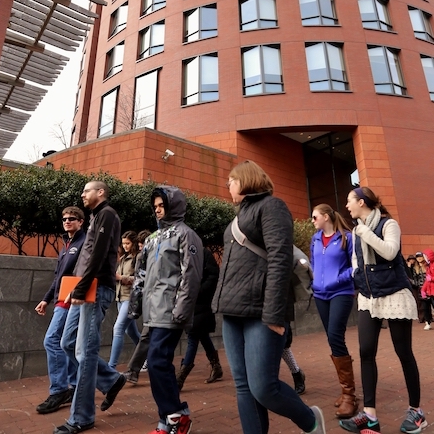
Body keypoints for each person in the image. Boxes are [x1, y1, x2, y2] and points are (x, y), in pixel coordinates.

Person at [212, 160, 326, 434]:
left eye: (232, 179)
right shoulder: (238, 216)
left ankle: (310, 421)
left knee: (263, 387)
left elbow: (279, 258)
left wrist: (275, 314)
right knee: (243, 386)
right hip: (232, 310)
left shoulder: (272, 207)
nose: (228, 185)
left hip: (262, 311)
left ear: (247, 180)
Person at [342, 186, 425, 434]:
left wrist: (364, 232)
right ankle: (370, 416)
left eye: (350, 201)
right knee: (366, 352)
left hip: (394, 294)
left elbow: (389, 252)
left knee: (404, 352)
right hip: (369, 298)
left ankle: (416, 411)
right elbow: (358, 264)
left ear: (362, 202)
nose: (347, 206)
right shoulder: (357, 232)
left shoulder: (388, 224)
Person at [54, 181, 124, 434]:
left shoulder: (107, 214)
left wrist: (82, 288)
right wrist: (75, 287)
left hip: (94, 288)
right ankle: (111, 378)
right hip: (83, 287)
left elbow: (99, 254)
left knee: (85, 353)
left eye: (87, 190)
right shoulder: (96, 216)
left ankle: (81, 418)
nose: (82, 194)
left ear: (101, 192)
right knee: (67, 343)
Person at [133, 185, 203, 434]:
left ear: (174, 205)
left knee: (157, 362)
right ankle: (170, 418)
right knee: (157, 364)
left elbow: (191, 275)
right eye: (155, 207)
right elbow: (141, 274)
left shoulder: (186, 235)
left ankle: (176, 415)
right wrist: (135, 303)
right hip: (153, 312)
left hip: (171, 311)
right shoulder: (152, 239)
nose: (158, 210)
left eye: (162, 206)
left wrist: (181, 311)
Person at [35, 207, 86, 414]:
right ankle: (74, 386)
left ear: (81, 222)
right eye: (64, 219)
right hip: (59, 299)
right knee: (67, 345)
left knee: (51, 340)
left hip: (71, 299)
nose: (67, 221)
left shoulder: (83, 243)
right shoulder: (66, 245)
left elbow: (83, 272)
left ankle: (59, 390)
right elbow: (58, 276)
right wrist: (46, 299)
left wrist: (75, 294)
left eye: (72, 219)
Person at [310, 203, 356, 419]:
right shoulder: (315, 239)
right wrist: (314, 282)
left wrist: (337, 280)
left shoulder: (347, 237)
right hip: (320, 294)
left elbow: (355, 266)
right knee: (332, 338)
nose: (313, 221)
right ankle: (345, 390)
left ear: (326, 217)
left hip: (341, 292)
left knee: (336, 335)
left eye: (315, 217)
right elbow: (313, 262)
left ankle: (349, 395)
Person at [177, 246, 223, 390]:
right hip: (187, 300)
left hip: (200, 301)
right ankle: (216, 367)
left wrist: (198, 292)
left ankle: (181, 376)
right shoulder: (180, 253)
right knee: (201, 334)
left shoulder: (203, 253)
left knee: (193, 336)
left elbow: (213, 275)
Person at [108, 231, 141, 369]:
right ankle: (148, 355)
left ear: (133, 243)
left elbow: (141, 278)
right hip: (120, 297)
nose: (125, 246)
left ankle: (111, 366)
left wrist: (121, 278)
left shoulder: (137, 257)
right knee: (130, 331)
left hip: (131, 297)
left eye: (127, 243)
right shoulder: (123, 258)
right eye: (123, 243)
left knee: (118, 328)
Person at [124, 229, 152, 384]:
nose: (141, 249)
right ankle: (133, 371)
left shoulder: (147, 257)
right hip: (153, 301)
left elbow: (138, 282)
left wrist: (134, 308)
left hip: (160, 302)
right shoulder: (145, 257)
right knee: (147, 336)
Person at [414, 252, 433, 329]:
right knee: (425, 307)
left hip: (430, 288)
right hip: (421, 290)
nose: (419, 258)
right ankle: (427, 322)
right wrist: (417, 284)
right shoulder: (415, 268)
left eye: (420, 256)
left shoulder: (428, 266)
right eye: (417, 257)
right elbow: (414, 278)